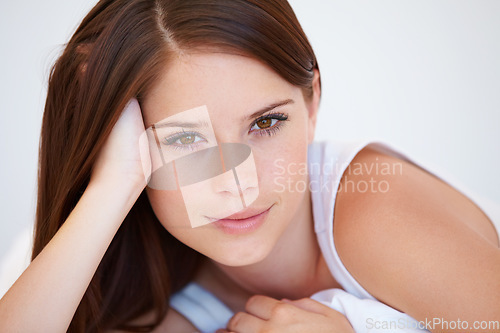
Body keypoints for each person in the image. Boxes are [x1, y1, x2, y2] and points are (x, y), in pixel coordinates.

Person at [0, 0, 499, 332]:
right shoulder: (169, 294)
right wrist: (111, 189)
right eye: (185, 139)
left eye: (265, 124)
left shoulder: (380, 214)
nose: (237, 184)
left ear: (312, 104)